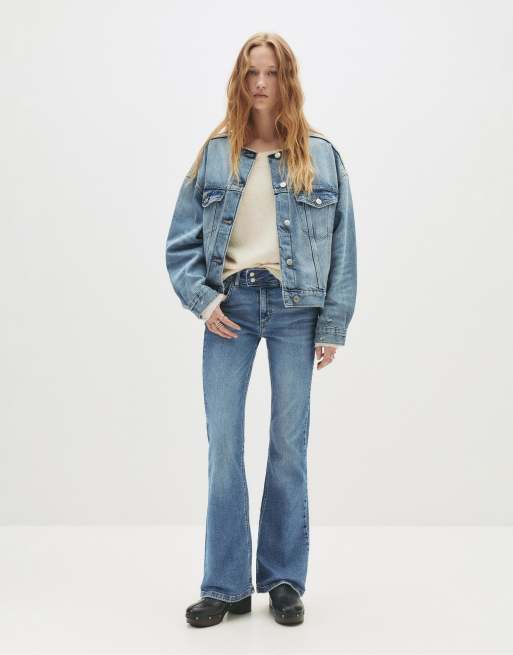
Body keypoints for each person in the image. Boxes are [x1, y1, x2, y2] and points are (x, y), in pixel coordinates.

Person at [165, 32, 357, 627]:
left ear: (287, 78)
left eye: (271, 72)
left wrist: (332, 323)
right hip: (232, 312)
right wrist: (203, 302)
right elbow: (180, 244)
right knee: (224, 445)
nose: (261, 84)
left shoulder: (321, 155)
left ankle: (282, 579)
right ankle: (225, 585)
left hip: (297, 311)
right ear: (239, 79)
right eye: (251, 72)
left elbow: (343, 247)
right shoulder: (215, 153)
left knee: (288, 446)